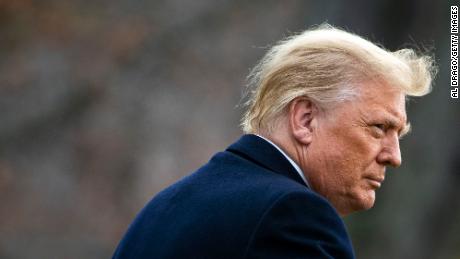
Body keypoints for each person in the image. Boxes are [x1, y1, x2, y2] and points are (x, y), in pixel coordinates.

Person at [112, 24, 436, 258]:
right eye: (379, 127)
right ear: (305, 120)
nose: (394, 156)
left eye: (399, 134)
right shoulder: (292, 217)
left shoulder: (169, 205)